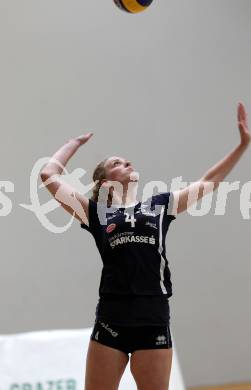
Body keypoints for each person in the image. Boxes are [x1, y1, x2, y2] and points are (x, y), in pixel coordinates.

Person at [40, 102, 250, 390]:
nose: (127, 164)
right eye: (117, 163)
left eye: (127, 161)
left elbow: (209, 181)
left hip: (152, 317)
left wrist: (242, 146)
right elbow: (49, 175)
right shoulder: (95, 212)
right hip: (112, 319)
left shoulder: (160, 206)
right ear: (103, 182)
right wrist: (72, 144)